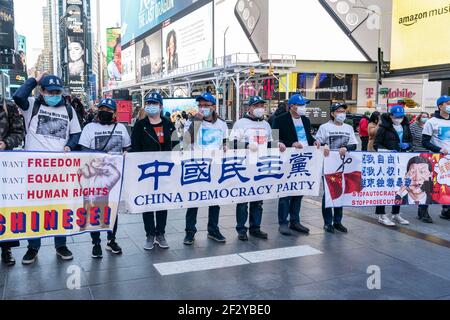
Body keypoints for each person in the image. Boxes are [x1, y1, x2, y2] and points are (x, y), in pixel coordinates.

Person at [13, 72, 81, 265]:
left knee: (59, 208)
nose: (53, 94)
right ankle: (33, 247)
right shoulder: (32, 105)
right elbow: (18, 96)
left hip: (59, 171)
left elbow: (76, 133)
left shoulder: (68, 110)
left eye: (57, 91)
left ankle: (61, 244)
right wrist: (33, 80)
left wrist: (70, 145)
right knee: (35, 209)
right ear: (41, 91)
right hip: (34, 171)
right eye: (49, 91)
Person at [78, 98, 131, 258]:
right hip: (95, 177)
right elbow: (83, 150)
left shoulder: (121, 128)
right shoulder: (89, 128)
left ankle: (111, 240)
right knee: (95, 209)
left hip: (115, 177)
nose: (105, 112)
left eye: (109, 110)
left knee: (112, 209)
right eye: (102, 109)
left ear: (114, 113)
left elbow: (127, 146)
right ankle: (96, 243)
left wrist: (127, 152)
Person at [131, 92, 177, 250]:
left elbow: (176, 146)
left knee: (162, 202)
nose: (151, 106)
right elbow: (135, 148)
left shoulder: (168, 124)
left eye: (154, 103)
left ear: (161, 106)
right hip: (146, 171)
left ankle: (160, 233)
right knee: (148, 203)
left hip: (165, 170)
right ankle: (150, 234)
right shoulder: (140, 126)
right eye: (148, 103)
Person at [230, 96, 278, 241]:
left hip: (261, 166)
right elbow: (231, 143)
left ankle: (255, 227)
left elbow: (273, 143)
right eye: (256, 105)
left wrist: (279, 144)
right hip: (245, 166)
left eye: (262, 105)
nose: (260, 108)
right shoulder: (240, 123)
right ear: (249, 108)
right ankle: (241, 229)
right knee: (243, 199)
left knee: (258, 199)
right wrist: (246, 146)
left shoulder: (267, 124)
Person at [182, 92, 228, 245]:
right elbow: (187, 141)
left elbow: (225, 141)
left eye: (206, 106)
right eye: (200, 105)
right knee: (193, 201)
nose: (202, 108)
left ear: (213, 107)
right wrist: (197, 121)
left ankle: (213, 230)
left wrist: (226, 146)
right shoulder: (191, 121)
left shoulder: (221, 124)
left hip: (215, 167)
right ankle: (190, 232)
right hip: (197, 166)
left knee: (215, 199)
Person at [273, 94, 318, 236]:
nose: (304, 108)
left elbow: (307, 137)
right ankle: (283, 223)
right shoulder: (280, 120)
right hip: (287, 160)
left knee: (299, 190)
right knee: (285, 192)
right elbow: (274, 140)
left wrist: (315, 141)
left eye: (305, 105)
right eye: (301, 105)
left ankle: (295, 220)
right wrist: (290, 144)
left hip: (303, 159)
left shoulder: (305, 119)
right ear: (292, 106)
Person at [315, 103, 357, 233]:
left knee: (340, 192)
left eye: (343, 111)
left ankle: (338, 221)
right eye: (338, 111)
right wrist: (323, 145)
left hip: (344, 166)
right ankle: (328, 222)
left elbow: (354, 145)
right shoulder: (324, 127)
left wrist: (346, 148)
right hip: (328, 165)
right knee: (328, 193)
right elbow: (317, 142)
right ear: (332, 113)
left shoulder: (349, 128)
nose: (341, 114)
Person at [374, 105, 412, 226]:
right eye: (396, 117)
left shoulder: (405, 126)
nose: (399, 119)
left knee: (399, 187)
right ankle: (381, 214)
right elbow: (377, 144)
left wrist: (408, 145)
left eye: (401, 116)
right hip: (387, 162)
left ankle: (396, 213)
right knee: (385, 187)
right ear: (391, 116)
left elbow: (410, 141)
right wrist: (388, 152)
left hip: (401, 161)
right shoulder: (383, 127)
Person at [0, 99, 25, 266]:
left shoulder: (7, 105)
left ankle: (6, 249)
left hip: (3, 165)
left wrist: (5, 143)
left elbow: (19, 132)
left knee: (3, 208)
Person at [423, 95, 450, 221]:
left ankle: (446, 210)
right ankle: (422, 211)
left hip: (449, 160)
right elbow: (425, 142)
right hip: (436, 158)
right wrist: (439, 150)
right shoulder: (431, 122)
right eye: (448, 103)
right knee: (430, 186)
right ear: (440, 106)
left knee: (448, 185)